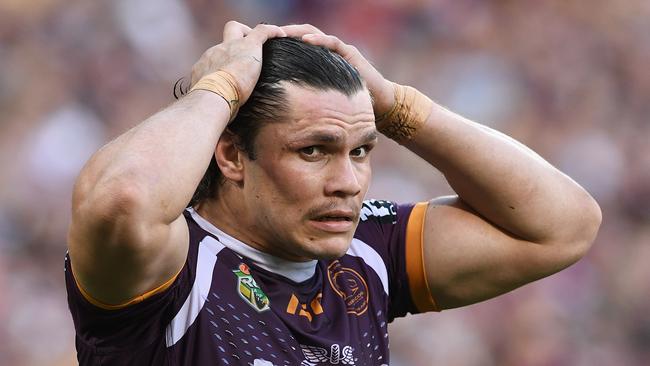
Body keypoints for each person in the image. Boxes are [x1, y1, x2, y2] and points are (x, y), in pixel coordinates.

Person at [65, 21, 601, 365]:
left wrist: (396, 106)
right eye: (313, 151)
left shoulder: (367, 249)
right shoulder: (171, 267)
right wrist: (221, 87)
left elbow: (563, 226)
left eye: (361, 151)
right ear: (230, 155)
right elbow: (123, 198)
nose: (347, 181)